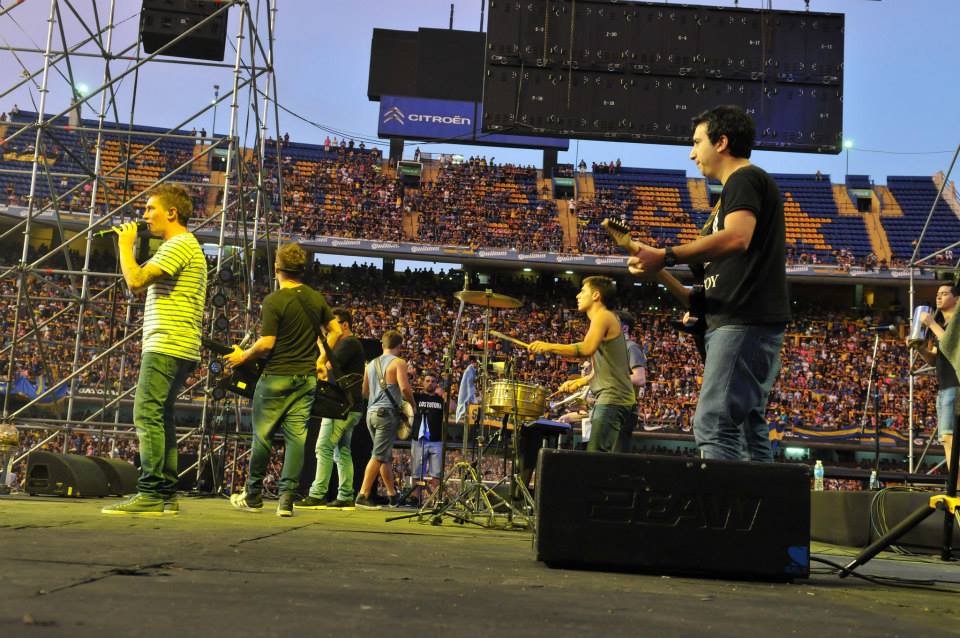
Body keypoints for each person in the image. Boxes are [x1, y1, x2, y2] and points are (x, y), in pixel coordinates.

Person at [626, 105, 789, 462]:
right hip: (730, 319)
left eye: (697, 141)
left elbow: (737, 238)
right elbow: (702, 292)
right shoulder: (727, 198)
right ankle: (762, 514)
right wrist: (659, 269)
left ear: (722, 142)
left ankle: (728, 514)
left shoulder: (744, 180)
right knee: (747, 429)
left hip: (743, 320)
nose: (692, 152)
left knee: (714, 422)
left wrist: (666, 254)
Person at [102, 184, 207, 515]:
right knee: (162, 417)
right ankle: (164, 495)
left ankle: (149, 492)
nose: (145, 215)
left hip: (167, 342)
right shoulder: (185, 246)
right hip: (180, 343)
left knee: (146, 413)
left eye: (150, 209)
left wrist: (125, 246)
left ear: (171, 213)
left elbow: (135, 281)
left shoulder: (178, 245)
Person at [226, 243, 341, 517]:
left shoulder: (274, 301)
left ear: (277, 269)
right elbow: (335, 330)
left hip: (276, 377)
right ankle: (286, 501)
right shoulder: (315, 298)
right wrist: (320, 360)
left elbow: (267, 343)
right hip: (305, 380)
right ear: (303, 270)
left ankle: (253, 495)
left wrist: (244, 356)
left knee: (263, 437)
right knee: (296, 440)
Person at [528, 276, 636, 453]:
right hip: (614, 398)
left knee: (595, 455)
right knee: (596, 455)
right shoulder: (605, 318)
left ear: (595, 295)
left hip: (613, 398)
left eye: (582, 291)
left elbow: (586, 349)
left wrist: (549, 346)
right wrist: (580, 381)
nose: (578, 296)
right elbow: (611, 368)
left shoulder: (603, 316)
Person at [296, 307, 366, 510]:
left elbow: (325, 366)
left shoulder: (348, 343)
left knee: (323, 448)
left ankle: (317, 494)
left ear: (345, 325)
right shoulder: (348, 344)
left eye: (333, 326)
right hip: (350, 407)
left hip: (340, 407)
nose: (329, 331)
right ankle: (345, 496)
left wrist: (322, 345)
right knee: (341, 451)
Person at [356, 330, 414, 509]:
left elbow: (364, 392)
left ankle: (392, 494)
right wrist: (413, 405)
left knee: (384, 455)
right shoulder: (399, 363)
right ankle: (363, 494)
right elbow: (404, 388)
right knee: (379, 455)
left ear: (382, 345)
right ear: (400, 346)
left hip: (370, 413)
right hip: (387, 414)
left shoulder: (371, 364)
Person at [909, 284, 958, 482]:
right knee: (947, 439)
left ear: (956, 299)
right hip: (945, 386)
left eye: (944, 294)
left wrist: (930, 324)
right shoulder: (943, 326)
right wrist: (919, 348)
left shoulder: (955, 324)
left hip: (956, 385)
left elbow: (952, 345)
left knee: (949, 438)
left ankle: (956, 487)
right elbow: (935, 359)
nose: (939, 297)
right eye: (937, 294)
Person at [408, 372, 445, 503]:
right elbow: (403, 395)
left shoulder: (440, 399)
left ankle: (437, 500)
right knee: (417, 473)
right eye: (427, 381)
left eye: (433, 381)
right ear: (423, 383)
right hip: (419, 439)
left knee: (436, 474)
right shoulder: (416, 397)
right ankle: (414, 499)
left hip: (436, 441)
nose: (430, 383)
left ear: (436, 384)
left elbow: (453, 408)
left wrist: (445, 395)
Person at [615, 310, 647, 453]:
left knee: (617, 458)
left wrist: (611, 378)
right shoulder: (616, 349)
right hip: (615, 408)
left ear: (625, 328)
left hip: (624, 411)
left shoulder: (631, 347)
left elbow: (640, 378)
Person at [455, 356, 479, 425]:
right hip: (466, 390)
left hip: (469, 389)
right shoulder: (469, 370)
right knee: (465, 402)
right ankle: (465, 414)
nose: (477, 365)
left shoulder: (473, 369)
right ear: (472, 362)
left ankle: (468, 414)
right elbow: (470, 383)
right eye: (476, 363)